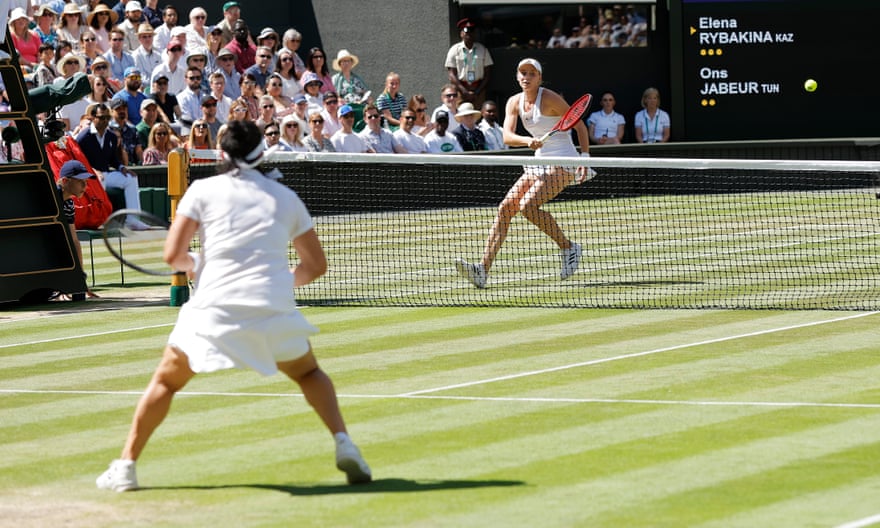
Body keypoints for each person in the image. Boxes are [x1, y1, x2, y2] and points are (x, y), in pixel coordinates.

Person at [95, 119, 372, 492]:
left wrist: (193, 265)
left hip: (213, 311)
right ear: (262, 154)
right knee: (309, 374)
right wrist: (281, 281)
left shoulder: (202, 191)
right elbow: (316, 267)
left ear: (221, 154)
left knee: (165, 381)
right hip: (271, 308)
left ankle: (126, 467)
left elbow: (172, 255)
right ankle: (345, 443)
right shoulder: (285, 197)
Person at [454, 59, 594, 289]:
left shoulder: (549, 98)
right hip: (539, 162)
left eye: (531, 73)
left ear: (539, 77)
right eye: (522, 73)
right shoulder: (514, 102)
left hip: (564, 161)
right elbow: (507, 136)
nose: (526, 77)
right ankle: (482, 270)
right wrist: (527, 140)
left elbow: (579, 126)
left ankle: (568, 247)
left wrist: (585, 158)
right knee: (506, 207)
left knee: (527, 207)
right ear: (517, 77)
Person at [76, 102, 146, 219]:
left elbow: (113, 159)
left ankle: (133, 220)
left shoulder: (111, 136)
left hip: (106, 174)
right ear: (93, 118)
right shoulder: (83, 137)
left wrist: (122, 168)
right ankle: (100, 219)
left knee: (131, 178)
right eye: (101, 117)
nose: (105, 121)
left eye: (107, 118)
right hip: (89, 177)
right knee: (100, 180)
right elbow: (79, 161)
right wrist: (93, 171)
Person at [445, 18, 493, 107]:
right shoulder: (454, 50)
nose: (469, 34)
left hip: (478, 90)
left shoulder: (482, 50)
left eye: (472, 31)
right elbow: (451, 74)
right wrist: (464, 91)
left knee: (478, 116)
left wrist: (477, 92)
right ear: (461, 33)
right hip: (460, 90)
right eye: (466, 31)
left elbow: (487, 74)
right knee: (459, 116)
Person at [108, 97, 142, 165]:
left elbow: (138, 151)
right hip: (113, 168)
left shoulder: (133, 129)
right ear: (111, 112)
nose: (122, 111)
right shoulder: (108, 130)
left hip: (132, 168)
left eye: (124, 108)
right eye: (118, 109)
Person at [9, 7, 41, 72]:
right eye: (18, 19)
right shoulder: (11, 36)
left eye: (23, 19)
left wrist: (40, 65)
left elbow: (40, 53)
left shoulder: (34, 35)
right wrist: (32, 65)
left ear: (26, 21)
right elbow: (16, 57)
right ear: (13, 22)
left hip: (36, 66)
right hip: (21, 68)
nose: (21, 21)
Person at [131, 23, 162, 88]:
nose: (147, 39)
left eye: (150, 36)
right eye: (144, 37)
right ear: (139, 39)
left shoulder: (159, 54)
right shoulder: (135, 56)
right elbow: (140, 77)